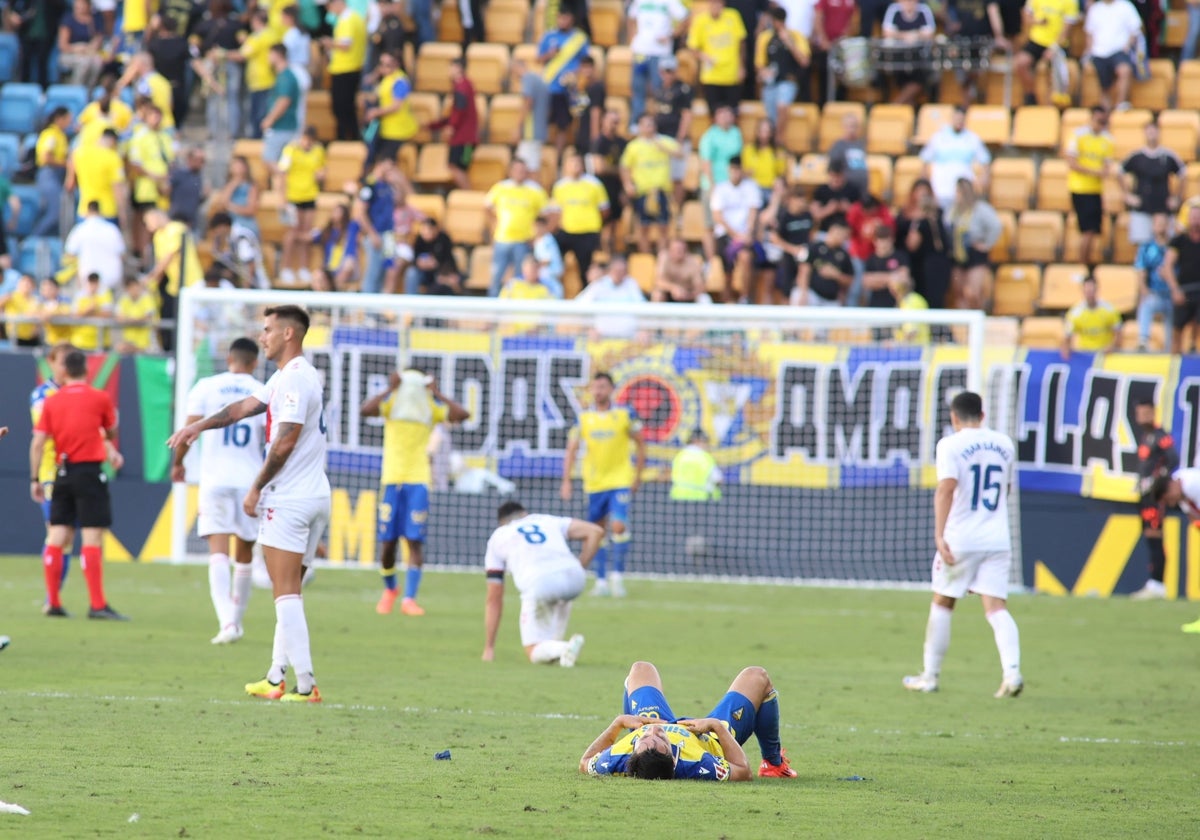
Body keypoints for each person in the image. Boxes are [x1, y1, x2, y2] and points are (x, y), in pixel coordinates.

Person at [168, 305, 330, 703]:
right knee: (287, 588)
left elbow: (286, 440)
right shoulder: (291, 376)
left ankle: (306, 684)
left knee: (284, 592)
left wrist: (258, 486)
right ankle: (276, 677)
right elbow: (241, 408)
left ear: (289, 334)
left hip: (288, 498)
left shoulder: (292, 381)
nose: (263, 337)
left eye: (269, 329)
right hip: (315, 495)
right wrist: (197, 426)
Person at [902, 390, 1022, 698]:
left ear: (954, 418)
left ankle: (930, 676)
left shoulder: (951, 444)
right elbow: (1006, 489)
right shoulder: (1004, 444)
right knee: (996, 608)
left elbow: (946, 490)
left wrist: (939, 536)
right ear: (983, 416)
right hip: (997, 538)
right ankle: (1012, 673)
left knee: (943, 602)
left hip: (962, 537)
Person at [172, 338, 266, 644]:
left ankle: (227, 623)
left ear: (229, 359)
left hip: (215, 480)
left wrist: (178, 463)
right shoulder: (262, 390)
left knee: (218, 552)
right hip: (251, 481)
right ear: (255, 362)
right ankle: (235, 621)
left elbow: (188, 431)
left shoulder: (206, 386)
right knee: (245, 554)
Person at [360, 368, 470, 616]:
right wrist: (391, 388)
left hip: (419, 480)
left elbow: (463, 415)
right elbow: (365, 411)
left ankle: (409, 598)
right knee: (387, 544)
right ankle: (390, 589)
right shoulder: (392, 403)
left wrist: (437, 393)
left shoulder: (430, 407)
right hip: (391, 480)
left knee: (414, 541)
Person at [30, 349, 128, 621]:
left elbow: (38, 442)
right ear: (86, 369)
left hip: (61, 471)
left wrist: (35, 478)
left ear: (64, 370)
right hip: (89, 472)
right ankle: (97, 604)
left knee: (57, 536)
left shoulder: (52, 401)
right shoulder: (99, 398)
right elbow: (109, 430)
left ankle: (54, 603)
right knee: (92, 537)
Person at [579, 661, 797, 780]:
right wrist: (715, 726)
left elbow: (585, 761)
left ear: (633, 752)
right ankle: (773, 764)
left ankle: (646, 745)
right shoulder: (698, 764)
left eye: (644, 739)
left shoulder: (617, 760)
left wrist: (618, 723)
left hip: (659, 722)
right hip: (710, 736)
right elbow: (743, 770)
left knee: (641, 669)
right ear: (673, 758)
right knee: (757, 676)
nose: (653, 732)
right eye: (661, 741)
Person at [481, 500, 603, 665]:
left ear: (502, 522)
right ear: (525, 513)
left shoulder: (499, 536)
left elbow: (494, 597)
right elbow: (595, 531)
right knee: (561, 597)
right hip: (574, 576)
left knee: (532, 650)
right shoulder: (546, 520)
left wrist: (489, 647)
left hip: (540, 582)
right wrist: (580, 567)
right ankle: (561, 654)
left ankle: (564, 648)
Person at [560, 372, 647, 597]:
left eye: (603, 386)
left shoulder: (624, 414)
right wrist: (566, 481)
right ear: (591, 390)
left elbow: (641, 444)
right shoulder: (583, 418)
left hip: (620, 480)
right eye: (595, 387)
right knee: (597, 531)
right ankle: (600, 581)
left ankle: (617, 576)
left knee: (618, 525)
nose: (599, 391)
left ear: (611, 389)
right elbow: (571, 450)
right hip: (594, 483)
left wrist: (638, 475)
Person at [29, 343, 76, 613]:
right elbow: (43, 433)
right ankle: (51, 598)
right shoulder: (42, 395)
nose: (65, 367)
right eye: (62, 362)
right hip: (52, 473)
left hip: (75, 471)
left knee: (67, 537)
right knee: (56, 532)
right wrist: (34, 478)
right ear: (51, 362)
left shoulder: (76, 392)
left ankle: (54, 597)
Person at [1128, 400, 1178, 601]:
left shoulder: (1160, 436)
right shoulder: (1145, 437)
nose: (1142, 418)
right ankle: (1154, 583)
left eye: (1146, 413)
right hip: (1144, 495)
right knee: (1150, 536)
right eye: (1139, 414)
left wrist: (1156, 481)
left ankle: (1158, 584)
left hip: (1155, 496)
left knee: (1155, 536)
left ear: (1153, 413)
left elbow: (1173, 459)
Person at [620, 113, 682, 255]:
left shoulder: (664, 141)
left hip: (662, 191)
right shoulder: (633, 146)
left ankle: (661, 257)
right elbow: (624, 166)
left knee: (664, 227)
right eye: (646, 124)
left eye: (651, 124)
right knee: (643, 227)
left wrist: (662, 147)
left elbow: (680, 153)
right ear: (640, 127)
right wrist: (628, 184)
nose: (649, 127)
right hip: (643, 192)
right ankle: (646, 258)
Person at [486, 159, 549, 297]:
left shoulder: (535, 190)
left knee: (520, 278)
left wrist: (537, 236)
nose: (520, 173)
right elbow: (488, 208)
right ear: (510, 171)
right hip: (502, 238)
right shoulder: (500, 187)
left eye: (523, 170)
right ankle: (492, 315)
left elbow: (545, 214)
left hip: (524, 240)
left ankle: (516, 310)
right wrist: (493, 226)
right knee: (496, 276)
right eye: (517, 170)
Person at [144, 209, 203, 352]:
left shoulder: (177, 228)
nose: (147, 226)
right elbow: (161, 264)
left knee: (194, 323)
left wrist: (151, 276)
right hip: (175, 286)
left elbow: (169, 256)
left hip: (192, 283)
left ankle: (196, 353)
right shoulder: (158, 236)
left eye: (148, 222)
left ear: (157, 217)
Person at [1122, 121, 1185, 250]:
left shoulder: (1168, 155)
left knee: (1166, 243)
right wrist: (1127, 195)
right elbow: (1119, 172)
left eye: (1154, 131)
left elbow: (1184, 174)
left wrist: (1177, 197)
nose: (1152, 134)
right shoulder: (1136, 156)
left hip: (1163, 207)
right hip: (1142, 206)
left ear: (1159, 133)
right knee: (1141, 244)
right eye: (1149, 131)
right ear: (1144, 133)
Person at [275, 128, 326, 286]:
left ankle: (304, 267)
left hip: (310, 195)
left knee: (306, 233)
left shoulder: (318, 150)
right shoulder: (290, 150)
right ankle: (286, 267)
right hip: (293, 197)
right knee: (292, 233)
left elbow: (322, 169)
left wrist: (321, 175)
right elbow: (282, 174)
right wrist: (282, 199)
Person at [711, 156, 765, 303]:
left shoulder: (751, 187)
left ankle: (745, 297)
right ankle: (727, 298)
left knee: (746, 257)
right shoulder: (721, 189)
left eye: (738, 170)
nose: (735, 173)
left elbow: (753, 212)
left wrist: (747, 233)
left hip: (746, 234)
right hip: (725, 233)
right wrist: (736, 235)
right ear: (729, 170)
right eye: (733, 170)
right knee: (726, 270)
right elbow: (718, 217)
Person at [919, 105, 991, 211]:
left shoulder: (972, 139)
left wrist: (983, 179)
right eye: (957, 118)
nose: (959, 122)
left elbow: (985, 161)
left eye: (962, 119)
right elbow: (925, 160)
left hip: (963, 192)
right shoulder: (939, 137)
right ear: (952, 118)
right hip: (940, 190)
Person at [756, 6, 811, 143]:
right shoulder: (765, 38)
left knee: (782, 106)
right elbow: (759, 64)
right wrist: (764, 72)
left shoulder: (796, 36)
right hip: (770, 82)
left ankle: (779, 139)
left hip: (788, 80)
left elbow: (804, 61)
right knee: (771, 117)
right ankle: (772, 142)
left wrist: (789, 42)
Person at [1067, 106, 1114, 265]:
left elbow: (1107, 168)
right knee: (1087, 230)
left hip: (1095, 190)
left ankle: (1087, 261)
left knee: (1093, 230)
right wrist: (1094, 172)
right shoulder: (1079, 136)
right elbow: (1071, 162)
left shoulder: (1107, 139)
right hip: (1080, 188)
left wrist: (1098, 173)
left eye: (1103, 121)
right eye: (1098, 120)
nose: (1100, 124)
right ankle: (1083, 262)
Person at [628, 0, 689, 122]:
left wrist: (672, 34)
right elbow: (631, 17)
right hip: (641, 51)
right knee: (638, 88)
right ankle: (636, 122)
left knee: (659, 90)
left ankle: (657, 122)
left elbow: (686, 17)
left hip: (660, 52)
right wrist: (633, 37)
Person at [551, 151, 608, 280]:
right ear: (566, 166)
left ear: (583, 165)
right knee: (552, 251)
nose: (575, 166)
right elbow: (555, 212)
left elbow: (604, 210)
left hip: (588, 232)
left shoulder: (594, 184)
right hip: (567, 230)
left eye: (578, 163)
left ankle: (586, 292)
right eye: (571, 163)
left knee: (585, 269)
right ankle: (553, 285)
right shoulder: (560, 186)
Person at [946, 178, 1001, 310]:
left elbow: (996, 226)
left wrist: (986, 244)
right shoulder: (953, 210)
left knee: (972, 292)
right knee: (959, 293)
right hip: (957, 254)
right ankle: (962, 326)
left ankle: (976, 319)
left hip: (974, 253)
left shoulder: (980, 208)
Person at [647, 57, 693, 212]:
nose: (668, 74)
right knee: (661, 175)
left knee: (677, 177)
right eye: (665, 71)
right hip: (661, 137)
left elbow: (686, 115)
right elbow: (654, 111)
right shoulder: (659, 89)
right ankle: (662, 209)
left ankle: (677, 210)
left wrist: (680, 138)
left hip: (675, 138)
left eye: (671, 71)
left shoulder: (682, 89)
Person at [426, 58, 479, 191]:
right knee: (459, 167)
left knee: (456, 167)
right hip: (464, 137)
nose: (449, 71)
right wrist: (436, 125)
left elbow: (459, 109)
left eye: (451, 68)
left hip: (464, 138)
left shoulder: (462, 86)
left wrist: (451, 127)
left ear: (459, 68)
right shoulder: (464, 86)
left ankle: (469, 196)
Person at [688, 0, 749, 114]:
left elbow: (742, 43)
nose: (716, 6)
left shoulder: (733, 16)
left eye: (719, 3)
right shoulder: (700, 20)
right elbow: (692, 47)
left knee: (733, 112)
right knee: (713, 112)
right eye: (713, 3)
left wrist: (742, 66)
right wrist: (704, 57)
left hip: (731, 74)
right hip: (711, 75)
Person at [947, 0, 1009, 107]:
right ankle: (965, 106)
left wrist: (999, 36)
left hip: (982, 40)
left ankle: (979, 101)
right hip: (961, 40)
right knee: (959, 69)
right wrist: (951, 26)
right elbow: (948, 11)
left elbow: (993, 12)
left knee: (981, 69)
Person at [1084, 0, 1143, 112]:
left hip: (1119, 50)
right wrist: (1089, 52)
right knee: (1104, 87)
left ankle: (1120, 104)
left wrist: (1128, 45)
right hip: (1099, 52)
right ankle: (1105, 113)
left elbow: (1135, 29)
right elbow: (1089, 33)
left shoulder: (1126, 6)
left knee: (1124, 70)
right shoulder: (1095, 9)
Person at [354, 156, 400, 295]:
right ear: (380, 164)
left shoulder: (388, 185)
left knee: (385, 271)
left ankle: (378, 311)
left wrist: (397, 182)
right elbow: (360, 212)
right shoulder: (370, 185)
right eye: (388, 165)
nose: (391, 169)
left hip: (388, 235)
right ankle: (368, 310)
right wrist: (372, 234)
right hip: (376, 234)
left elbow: (401, 200)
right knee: (373, 271)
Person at [1159, 204, 1200, 355]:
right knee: (1177, 328)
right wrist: (1175, 289)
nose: (1196, 221)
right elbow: (1167, 266)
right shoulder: (1179, 241)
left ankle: (1194, 351)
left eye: (1198, 217)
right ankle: (1175, 359)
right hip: (1184, 290)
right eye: (1194, 217)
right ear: (1188, 219)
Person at [325, 0, 368, 141]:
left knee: (342, 108)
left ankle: (347, 138)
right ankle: (350, 137)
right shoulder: (355, 17)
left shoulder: (347, 19)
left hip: (345, 69)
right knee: (346, 107)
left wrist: (329, 43)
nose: (328, 9)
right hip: (351, 68)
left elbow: (345, 43)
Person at [364, 50, 417, 165]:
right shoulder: (387, 78)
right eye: (381, 64)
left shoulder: (400, 81)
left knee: (387, 165)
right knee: (382, 163)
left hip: (398, 129)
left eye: (387, 65)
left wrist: (376, 112)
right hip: (386, 129)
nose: (383, 68)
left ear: (396, 64)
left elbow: (396, 106)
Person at [763, 185, 814, 304]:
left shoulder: (807, 215)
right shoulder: (784, 216)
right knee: (786, 289)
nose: (801, 202)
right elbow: (774, 238)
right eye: (799, 199)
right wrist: (793, 249)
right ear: (791, 199)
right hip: (787, 255)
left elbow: (811, 233)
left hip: (804, 255)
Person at [881, 0, 937, 104]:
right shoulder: (894, 9)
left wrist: (916, 35)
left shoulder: (923, 9)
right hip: (898, 56)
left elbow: (930, 33)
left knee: (921, 78)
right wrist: (905, 35)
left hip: (920, 57)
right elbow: (886, 32)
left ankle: (895, 106)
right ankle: (907, 109)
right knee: (886, 75)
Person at [795, 213, 854, 306]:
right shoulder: (814, 247)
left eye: (846, 236)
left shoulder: (844, 255)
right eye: (842, 235)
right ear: (833, 230)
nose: (844, 239)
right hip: (811, 294)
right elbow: (803, 270)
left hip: (831, 300)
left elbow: (850, 280)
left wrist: (836, 275)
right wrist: (803, 292)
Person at [1135, 212, 1173, 351]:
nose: (1161, 227)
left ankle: (1171, 347)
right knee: (1146, 304)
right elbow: (1140, 269)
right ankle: (1143, 339)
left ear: (1168, 226)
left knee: (1174, 317)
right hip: (1155, 293)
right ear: (1153, 227)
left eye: (1164, 224)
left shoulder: (1175, 246)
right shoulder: (1146, 247)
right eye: (1158, 224)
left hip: (1172, 294)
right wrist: (1144, 289)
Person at [32, 107, 72, 238]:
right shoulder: (51, 134)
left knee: (53, 213)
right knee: (55, 213)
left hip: (57, 176)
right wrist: (66, 163)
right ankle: (33, 239)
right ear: (59, 119)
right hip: (49, 174)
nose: (69, 123)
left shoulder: (60, 134)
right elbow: (46, 157)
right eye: (67, 119)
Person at [260, 44, 302, 167]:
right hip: (284, 126)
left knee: (270, 161)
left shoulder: (286, 77)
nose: (268, 57)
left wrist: (270, 119)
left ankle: (282, 181)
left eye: (270, 54)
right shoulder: (284, 75)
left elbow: (284, 100)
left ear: (277, 55)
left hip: (282, 126)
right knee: (280, 163)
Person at [1061, 274, 1122, 357]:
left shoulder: (1109, 309)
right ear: (1082, 291)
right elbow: (1067, 336)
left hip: (1105, 355)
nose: (1090, 294)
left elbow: (1118, 333)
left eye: (1092, 290)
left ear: (1097, 290)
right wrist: (1067, 349)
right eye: (1087, 291)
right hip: (1085, 354)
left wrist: (1112, 347)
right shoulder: (1075, 313)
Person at [58, 0, 105, 88]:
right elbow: (63, 46)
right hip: (71, 54)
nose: (78, 6)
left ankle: (90, 90)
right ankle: (77, 90)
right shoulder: (68, 19)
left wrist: (90, 48)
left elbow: (98, 39)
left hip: (89, 53)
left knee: (97, 61)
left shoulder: (95, 19)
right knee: (84, 62)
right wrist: (77, 48)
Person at [406, 216, 455, 294]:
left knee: (442, 280)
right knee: (411, 273)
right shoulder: (419, 239)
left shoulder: (443, 239)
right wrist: (420, 263)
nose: (425, 232)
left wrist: (436, 263)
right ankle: (411, 301)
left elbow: (448, 259)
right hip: (423, 272)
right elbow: (415, 258)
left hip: (439, 272)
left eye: (427, 229)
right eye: (423, 229)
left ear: (435, 229)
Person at [670, 430, 723, 501]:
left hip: (677, 498)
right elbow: (718, 479)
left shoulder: (679, 456)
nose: (707, 445)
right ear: (697, 441)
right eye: (705, 442)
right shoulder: (705, 458)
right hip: (700, 500)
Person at [652, 238, 710, 303]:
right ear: (669, 250)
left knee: (704, 298)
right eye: (675, 249)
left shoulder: (693, 262)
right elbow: (658, 281)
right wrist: (673, 288)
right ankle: (656, 313)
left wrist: (688, 295)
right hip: (667, 294)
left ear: (686, 251)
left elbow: (700, 287)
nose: (678, 252)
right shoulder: (664, 258)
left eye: (680, 250)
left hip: (688, 295)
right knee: (657, 294)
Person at [70, 273, 114, 352]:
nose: (93, 286)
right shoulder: (79, 295)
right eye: (91, 283)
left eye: (95, 283)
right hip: (80, 341)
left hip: (101, 341)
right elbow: (74, 316)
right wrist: (88, 311)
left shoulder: (105, 295)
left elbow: (108, 314)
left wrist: (88, 314)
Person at [114, 276, 159, 353]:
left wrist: (134, 320)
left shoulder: (147, 298)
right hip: (129, 341)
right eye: (132, 288)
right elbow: (118, 317)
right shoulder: (124, 299)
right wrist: (131, 320)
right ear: (127, 289)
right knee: (119, 348)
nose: (135, 290)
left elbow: (149, 316)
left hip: (146, 343)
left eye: (136, 286)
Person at [827, 113, 869, 196]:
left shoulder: (860, 144)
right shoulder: (838, 145)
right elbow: (834, 168)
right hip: (847, 190)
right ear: (844, 126)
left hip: (862, 188)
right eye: (850, 126)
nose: (852, 129)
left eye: (855, 126)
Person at [532, 216, 565, 298]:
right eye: (536, 227)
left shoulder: (546, 240)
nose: (537, 229)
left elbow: (547, 260)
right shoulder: (540, 240)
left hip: (550, 273)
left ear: (545, 227)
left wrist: (534, 266)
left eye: (540, 227)